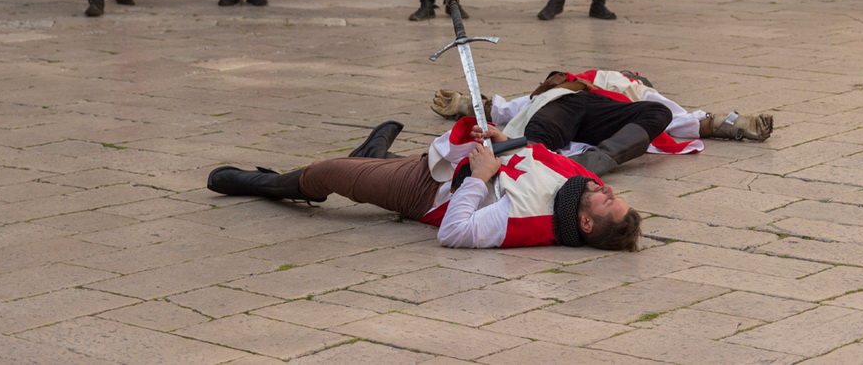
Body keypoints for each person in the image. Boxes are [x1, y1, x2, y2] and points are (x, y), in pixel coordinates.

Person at [207, 118, 641, 251]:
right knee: (370, 170)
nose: (606, 191)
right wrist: (500, 140)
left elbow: (455, 232)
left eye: (607, 203)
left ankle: (259, 184)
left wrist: (481, 176)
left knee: (327, 173)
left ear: (584, 224)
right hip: (446, 167)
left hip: (423, 191)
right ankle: (373, 156)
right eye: (613, 194)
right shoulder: (579, 186)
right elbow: (535, 154)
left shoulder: (528, 223)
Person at [431, 68, 774, 166]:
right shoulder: (581, 83)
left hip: (596, 127)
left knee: (655, 110)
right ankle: (526, 151)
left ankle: (600, 160)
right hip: (563, 111)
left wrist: (723, 123)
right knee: (546, 130)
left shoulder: (630, 93)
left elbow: (666, 114)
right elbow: (523, 104)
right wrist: (471, 105)